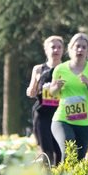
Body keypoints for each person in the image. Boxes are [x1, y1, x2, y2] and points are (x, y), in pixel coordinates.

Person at [47, 31, 88, 162]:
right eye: (77, 46)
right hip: (63, 120)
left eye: (84, 47)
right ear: (70, 49)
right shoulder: (60, 69)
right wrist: (56, 87)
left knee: (79, 160)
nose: (80, 50)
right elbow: (52, 93)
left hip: (86, 122)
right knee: (69, 153)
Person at [25, 35, 65, 167]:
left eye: (59, 47)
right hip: (42, 114)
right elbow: (31, 90)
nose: (56, 50)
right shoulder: (38, 69)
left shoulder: (66, 69)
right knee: (47, 151)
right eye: (53, 47)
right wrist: (31, 90)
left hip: (61, 115)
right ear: (46, 50)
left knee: (60, 151)